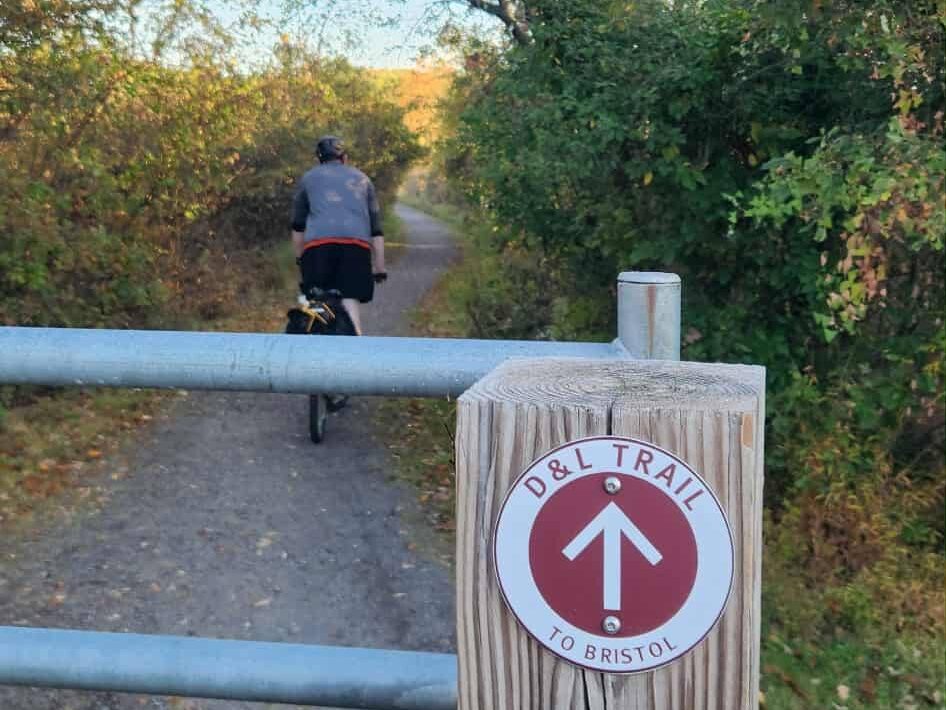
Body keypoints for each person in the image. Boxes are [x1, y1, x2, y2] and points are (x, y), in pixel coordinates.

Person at [290, 135, 386, 335]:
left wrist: (301, 260)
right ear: (345, 158)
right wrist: (379, 267)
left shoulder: (308, 178)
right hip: (356, 248)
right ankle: (354, 349)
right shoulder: (363, 179)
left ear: (319, 159)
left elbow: (298, 226)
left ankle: (317, 344)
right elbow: (376, 229)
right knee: (350, 300)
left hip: (318, 249)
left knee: (316, 300)